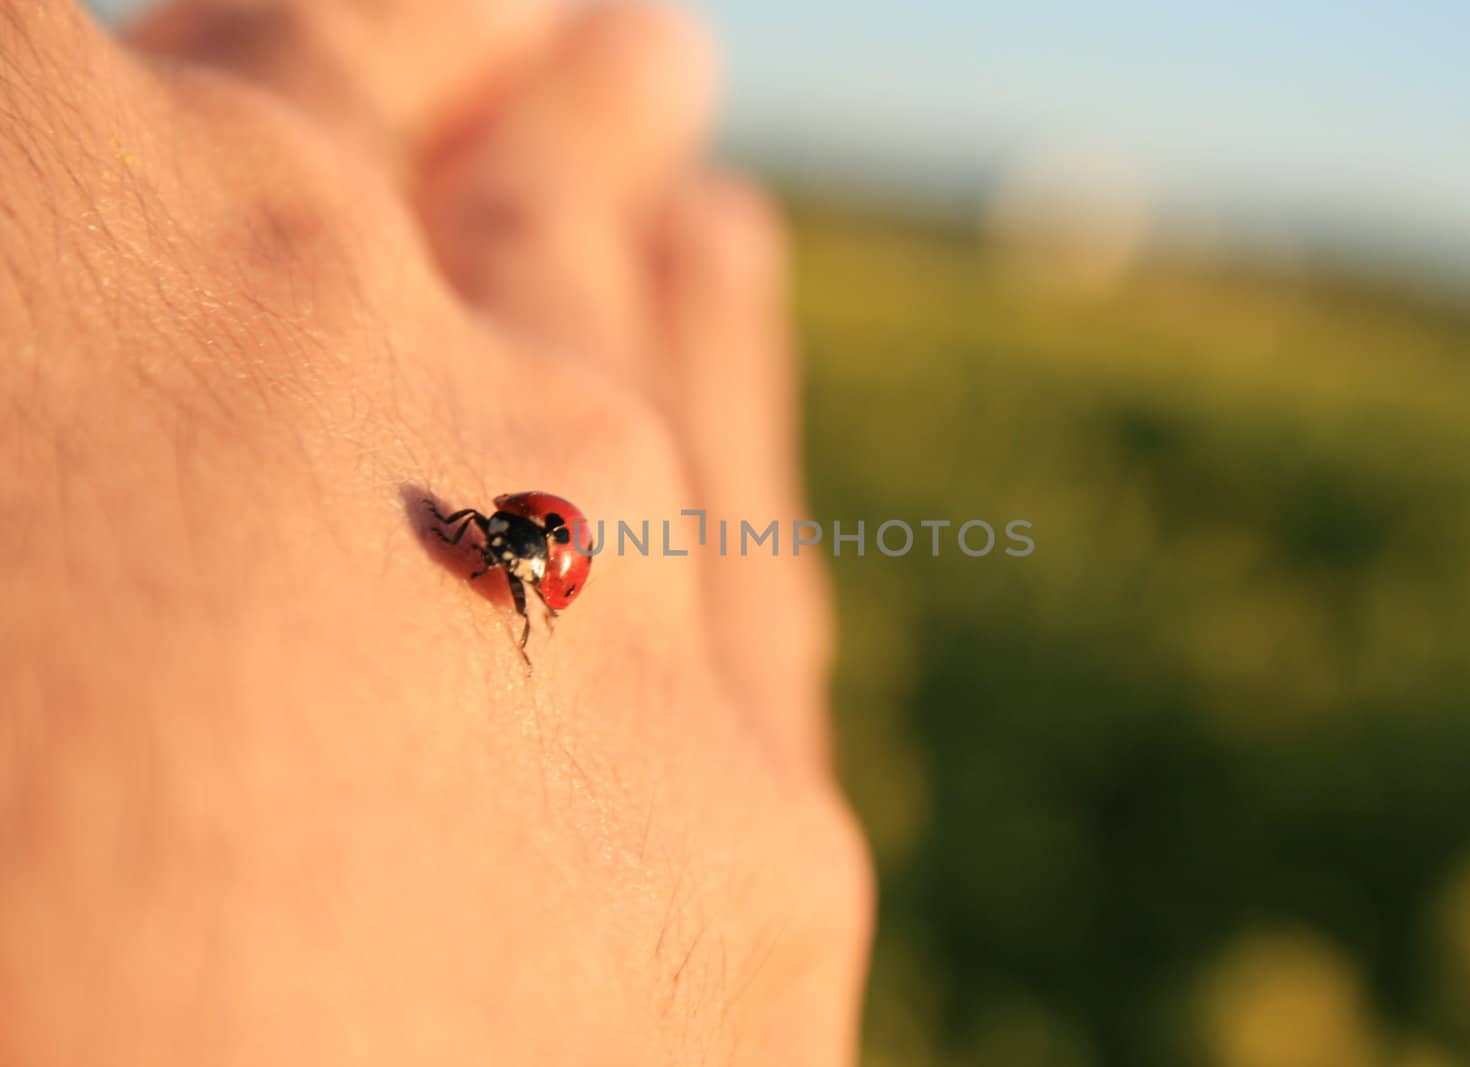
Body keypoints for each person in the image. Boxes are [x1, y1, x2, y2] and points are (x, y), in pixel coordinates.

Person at [0, 1, 872, 1062]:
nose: (488, 560)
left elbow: (520, 536)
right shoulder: (513, 539)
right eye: (500, 556)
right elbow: (501, 519)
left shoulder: (532, 560)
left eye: (501, 560)